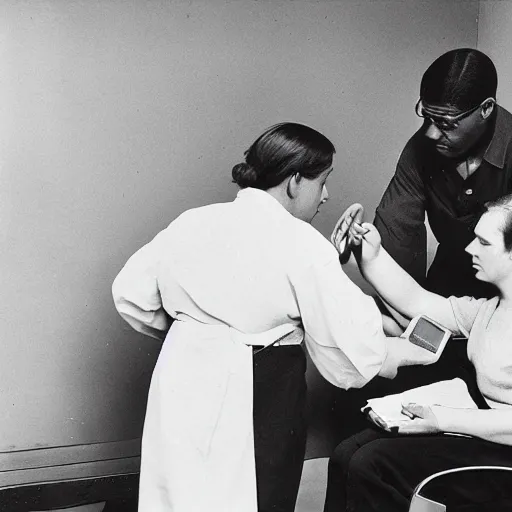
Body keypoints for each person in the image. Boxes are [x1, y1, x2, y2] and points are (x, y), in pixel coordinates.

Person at [111, 122, 434, 512]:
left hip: (180, 373)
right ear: (295, 181)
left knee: (180, 489)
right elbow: (353, 348)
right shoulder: (299, 241)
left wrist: (195, 334)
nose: (326, 195)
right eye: (323, 181)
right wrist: (399, 350)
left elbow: (130, 294)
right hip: (260, 387)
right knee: (255, 493)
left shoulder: (192, 221)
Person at [324, 192, 512, 512]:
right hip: (482, 432)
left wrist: (442, 419)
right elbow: (419, 304)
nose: (470, 249)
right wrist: (373, 255)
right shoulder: (491, 308)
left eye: (483, 243)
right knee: (347, 452)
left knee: (372, 464)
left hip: (503, 452)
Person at [375, 48, 512, 300]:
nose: (431, 133)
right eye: (427, 117)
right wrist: (403, 306)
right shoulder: (420, 149)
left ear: (486, 109)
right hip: (446, 287)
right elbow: (397, 235)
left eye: (446, 123)